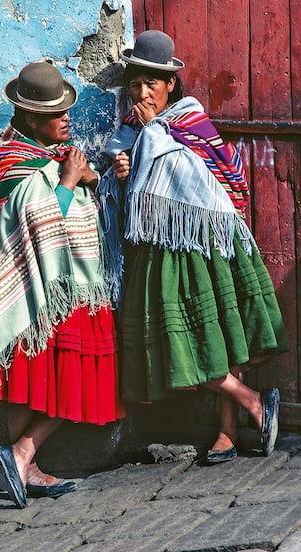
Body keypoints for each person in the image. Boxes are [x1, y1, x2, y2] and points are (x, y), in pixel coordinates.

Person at [99, 30, 288, 464]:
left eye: (152, 83)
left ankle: (228, 431)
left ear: (171, 85)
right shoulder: (130, 133)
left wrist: (153, 137)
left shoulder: (189, 122)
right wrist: (123, 176)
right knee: (178, 334)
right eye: (135, 84)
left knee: (218, 328)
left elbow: (217, 180)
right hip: (156, 247)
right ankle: (253, 402)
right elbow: (130, 198)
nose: (142, 93)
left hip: (203, 242)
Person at [0, 60, 124, 508]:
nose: (66, 117)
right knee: (53, 377)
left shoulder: (43, 159)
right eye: (55, 113)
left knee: (36, 377)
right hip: (27, 286)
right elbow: (41, 221)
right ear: (29, 118)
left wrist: (90, 177)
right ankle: (24, 455)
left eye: (65, 109)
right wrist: (67, 182)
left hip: (52, 287)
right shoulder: (16, 165)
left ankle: (24, 461)